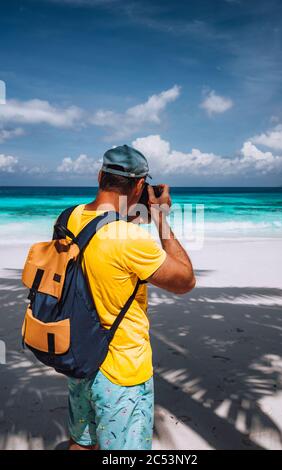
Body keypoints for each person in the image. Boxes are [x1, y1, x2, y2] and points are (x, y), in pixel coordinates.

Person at [67, 144, 195, 450]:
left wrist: (137, 213)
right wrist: (161, 217)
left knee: (82, 443)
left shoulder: (69, 218)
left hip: (79, 357)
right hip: (122, 372)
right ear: (140, 185)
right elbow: (185, 280)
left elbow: (103, 240)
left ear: (100, 175)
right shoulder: (131, 240)